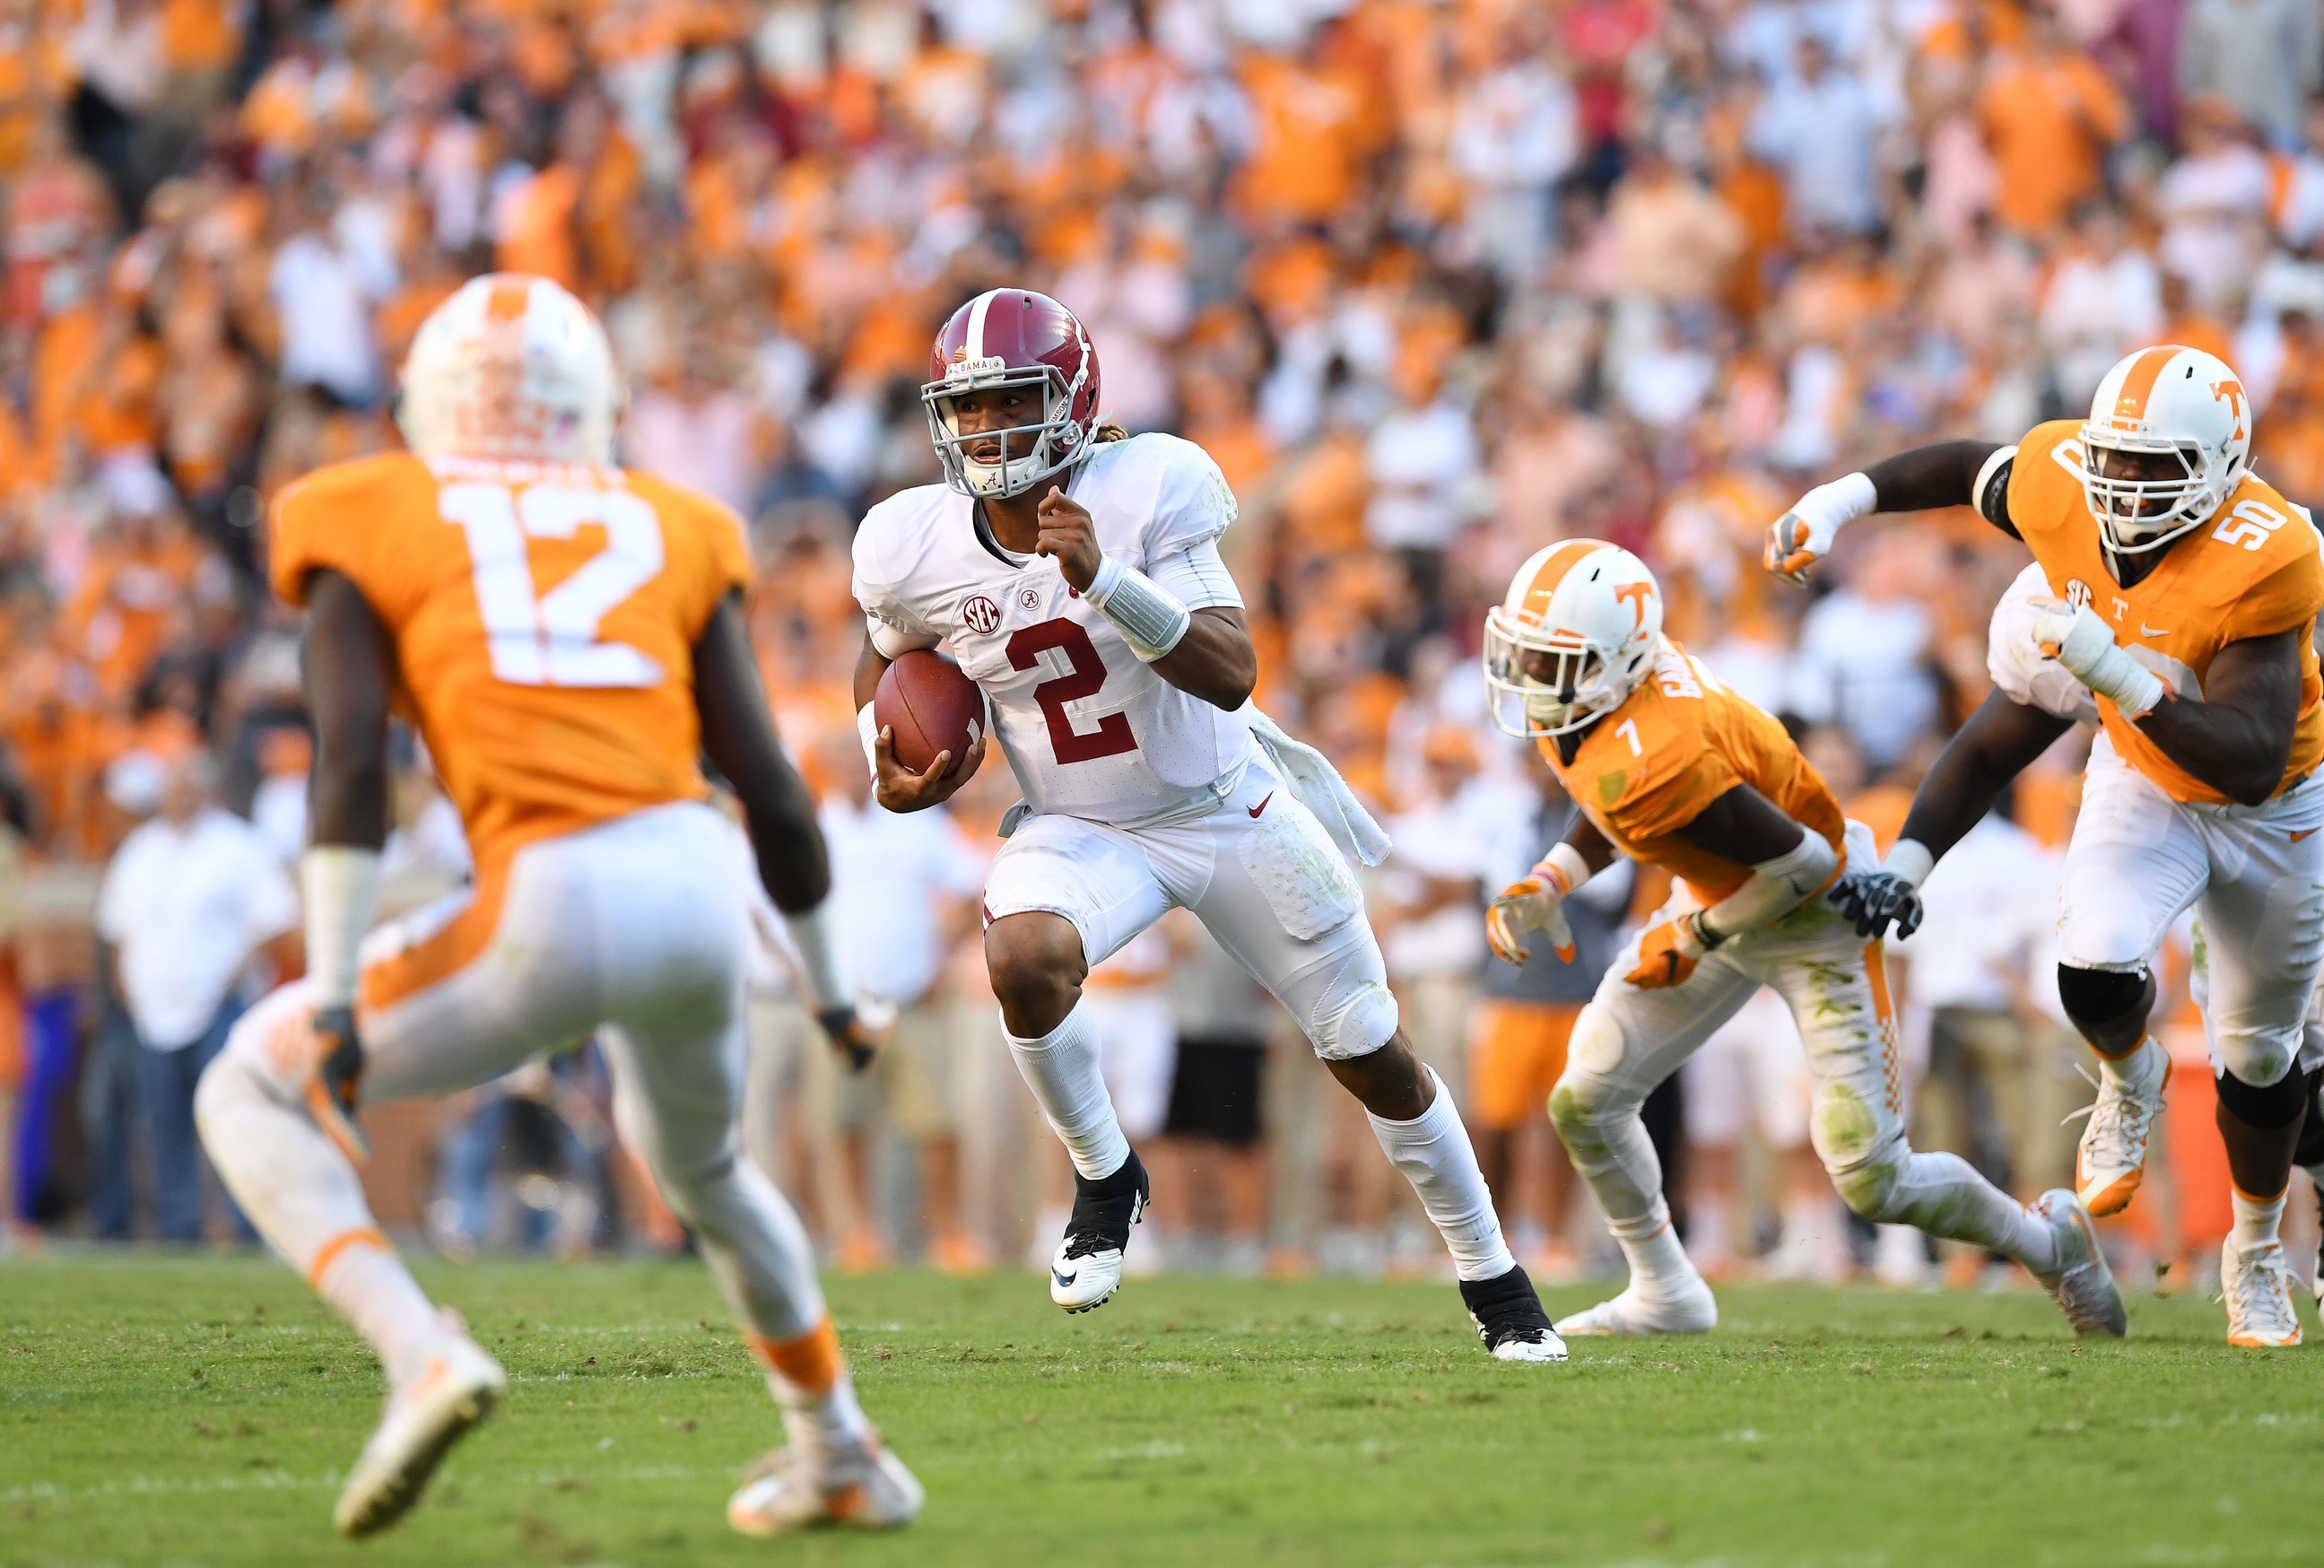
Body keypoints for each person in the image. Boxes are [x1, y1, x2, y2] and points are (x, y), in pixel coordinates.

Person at [192, 274, 922, 1538]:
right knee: (711, 1172)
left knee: (242, 1087)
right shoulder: (672, 520)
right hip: (691, 883)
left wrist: (331, 990)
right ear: (593, 403)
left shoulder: (362, 507)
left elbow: (354, 764)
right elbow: (771, 795)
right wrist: (830, 992)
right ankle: (837, 1449)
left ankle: (420, 1351)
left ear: (429, 403)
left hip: (545, 888)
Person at [851, 288, 1562, 1361]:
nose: (989, 431)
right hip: (1080, 824)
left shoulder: (1149, 485)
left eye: (1011, 404)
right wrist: (883, 744)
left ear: (1073, 400)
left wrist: (1108, 581)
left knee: (1368, 1046)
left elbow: (1231, 672)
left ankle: (1495, 1280)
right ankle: (1104, 1174)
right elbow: (888, 649)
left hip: (1223, 806)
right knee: (1024, 954)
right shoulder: (910, 540)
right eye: (972, 409)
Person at [1771, 342, 2324, 1347]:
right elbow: (1990, 732)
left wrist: (2116, 672)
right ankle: (2128, 1076)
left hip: (2275, 809)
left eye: (2153, 468)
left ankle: (2252, 1252)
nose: (2122, 485)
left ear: (2220, 467)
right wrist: (1839, 498)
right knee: (2090, 957)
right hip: (2143, 778)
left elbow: (2245, 759)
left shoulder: (2269, 550)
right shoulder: (2063, 505)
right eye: (2113, 459)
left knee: (2256, 1052)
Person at [1480, 538, 2123, 1338]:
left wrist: (1697, 935)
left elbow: (1805, 867)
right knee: (1586, 1100)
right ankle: (1664, 1291)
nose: (1531, 677)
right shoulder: (1601, 699)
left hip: (1820, 912)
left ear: (1613, 660)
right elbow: (1606, 797)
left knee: (1870, 1174)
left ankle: (2050, 1243)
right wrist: (1553, 878)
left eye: (1552, 661)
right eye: (1531, 655)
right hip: (1725, 891)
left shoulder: (1663, 747)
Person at [96, 750, 294, 1242]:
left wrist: (236, 975)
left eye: (189, 788)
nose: (180, 798)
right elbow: (115, 926)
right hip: (151, 1011)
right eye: (173, 789)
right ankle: (179, 1224)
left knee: (232, 1117)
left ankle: (246, 1224)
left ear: (206, 791)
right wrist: (125, 983)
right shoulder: (141, 848)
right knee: (163, 1122)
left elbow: (275, 919)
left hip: (219, 1006)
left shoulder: (238, 845)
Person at [1473, 753, 1629, 1276]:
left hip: (1574, 994)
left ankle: (1557, 1236)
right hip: (1512, 994)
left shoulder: (1595, 819)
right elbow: (1497, 885)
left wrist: (1552, 871)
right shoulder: (1510, 817)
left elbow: (1608, 887)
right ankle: (1495, 1235)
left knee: (1565, 1122)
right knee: (1496, 1122)